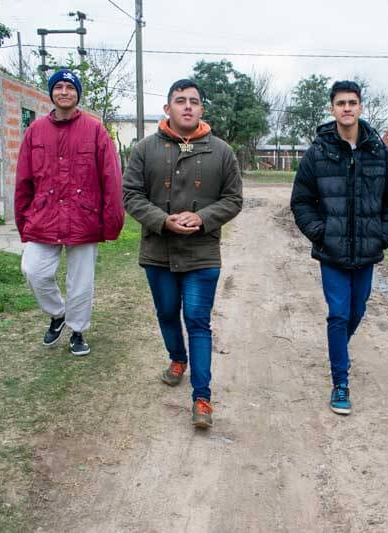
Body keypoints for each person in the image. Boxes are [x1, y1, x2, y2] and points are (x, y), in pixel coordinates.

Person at [124, 79, 242, 429]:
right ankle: (178, 358)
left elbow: (234, 199)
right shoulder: (146, 149)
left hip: (202, 253)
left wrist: (202, 217)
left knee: (197, 320)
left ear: (202, 109)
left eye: (193, 101)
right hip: (157, 251)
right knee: (166, 311)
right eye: (180, 100)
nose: (187, 106)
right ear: (168, 109)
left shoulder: (222, 151)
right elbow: (131, 195)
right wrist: (162, 221)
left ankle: (202, 397)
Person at [290, 80, 388, 415]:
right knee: (338, 314)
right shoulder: (318, 153)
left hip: (367, 251)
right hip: (333, 253)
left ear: (361, 107)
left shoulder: (379, 153)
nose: (347, 108)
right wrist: (321, 233)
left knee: (357, 311)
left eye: (352, 103)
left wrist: (381, 235)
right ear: (332, 108)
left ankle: (338, 349)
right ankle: (340, 382)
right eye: (341, 103)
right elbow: (301, 202)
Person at [15, 68, 124, 357]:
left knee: (81, 280)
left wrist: (111, 221)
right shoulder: (35, 131)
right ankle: (58, 313)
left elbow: (111, 178)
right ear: (51, 92)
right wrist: (23, 219)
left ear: (78, 94)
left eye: (70, 87)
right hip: (44, 216)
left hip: (83, 216)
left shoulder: (95, 130)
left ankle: (78, 330)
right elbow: (24, 179)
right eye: (59, 86)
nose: (64, 91)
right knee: (33, 270)